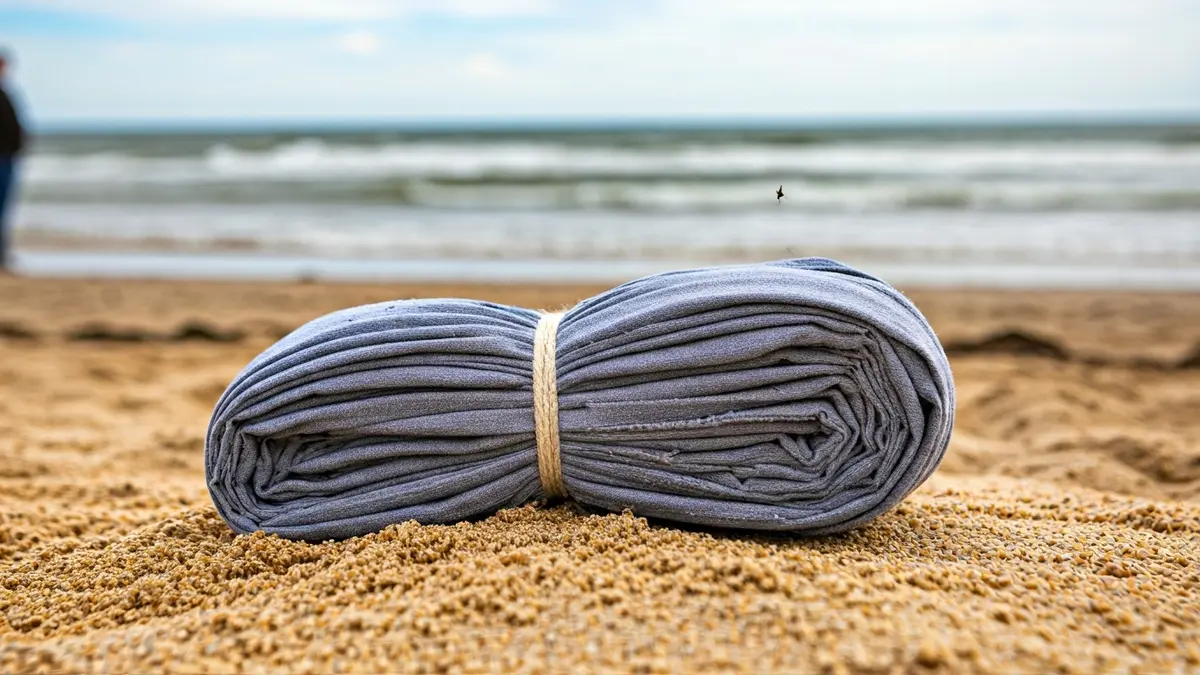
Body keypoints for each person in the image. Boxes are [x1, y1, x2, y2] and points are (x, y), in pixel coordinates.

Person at [0, 48, 27, 271]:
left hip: (8, 157)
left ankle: (3, 255)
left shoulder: (4, 93)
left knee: (4, 209)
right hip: (2, 158)